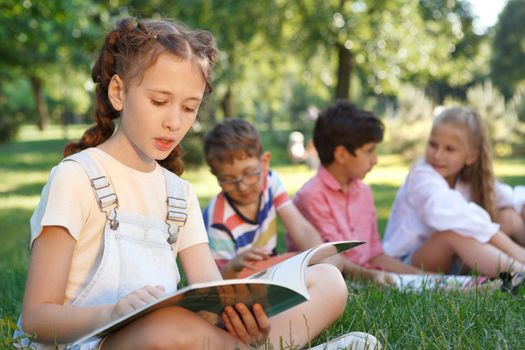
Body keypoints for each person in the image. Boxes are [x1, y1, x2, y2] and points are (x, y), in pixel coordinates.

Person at [15, 18, 378, 350]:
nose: (174, 122)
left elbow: (212, 298)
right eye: (159, 101)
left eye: (189, 108)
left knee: (328, 280)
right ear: (119, 93)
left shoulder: (179, 193)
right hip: (93, 342)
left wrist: (240, 320)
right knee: (168, 327)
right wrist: (110, 314)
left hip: (178, 337)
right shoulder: (76, 177)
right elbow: (36, 320)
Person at [383, 106, 525, 278]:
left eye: (449, 149)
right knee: (454, 233)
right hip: (409, 262)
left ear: (471, 157)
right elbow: (449, 212)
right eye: (433, 145)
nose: (437, 155)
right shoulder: (421, 176)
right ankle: (518, 274)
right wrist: (510, 247)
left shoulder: (467, 181)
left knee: (509, 215)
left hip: (456, 261)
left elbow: (512, 197)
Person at [293, 101, 422, 282]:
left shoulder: (363, 192)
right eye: (369, 151)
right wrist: (375, 276)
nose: (375, 160)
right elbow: (334, 262)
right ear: (341, 155)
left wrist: (422, 276)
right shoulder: (312, 196)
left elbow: (374, 255)